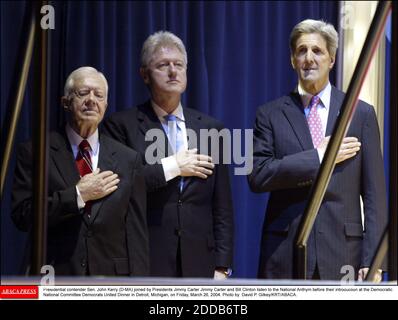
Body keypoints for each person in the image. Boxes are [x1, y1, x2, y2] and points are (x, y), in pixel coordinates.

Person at [248, 19, 387, 281]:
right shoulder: (269, 114)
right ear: (292, 60)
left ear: (332, 60)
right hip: (284, 253)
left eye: (317, 51)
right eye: (301, 51)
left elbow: (374, 196)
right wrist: (319, 157)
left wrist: (374, 261)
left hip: (344, 255)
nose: (309, 58)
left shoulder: (360, 114)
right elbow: (257, 175)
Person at [102, 31, 234, 278]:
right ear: (144, 74)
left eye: (179, 65)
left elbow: (223, 205)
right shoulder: (121, 126)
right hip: (146, 258)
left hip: (201, 262)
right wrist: (172, 166)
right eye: (163, 65)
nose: (173, 71)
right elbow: (121, 189)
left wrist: (223, 266)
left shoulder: (212, 129)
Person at [12, 66, 149, 276]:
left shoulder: (128, 159)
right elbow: (23, 215)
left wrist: (140, 289)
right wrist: (78, 195)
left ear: (106, 104)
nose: (91, 100)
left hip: (111, 282)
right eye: (83, 93)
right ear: (65, 102)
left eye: (99, 95)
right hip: (55, 275)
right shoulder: (35, 151)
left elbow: (136, 234)